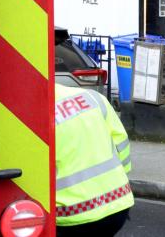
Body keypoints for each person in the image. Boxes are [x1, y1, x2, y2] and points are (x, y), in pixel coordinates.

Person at [55, 83, 133, 236]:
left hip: (72, 214)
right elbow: (121, 142)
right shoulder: (93, 97)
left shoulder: (34, 114)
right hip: (118, 203)